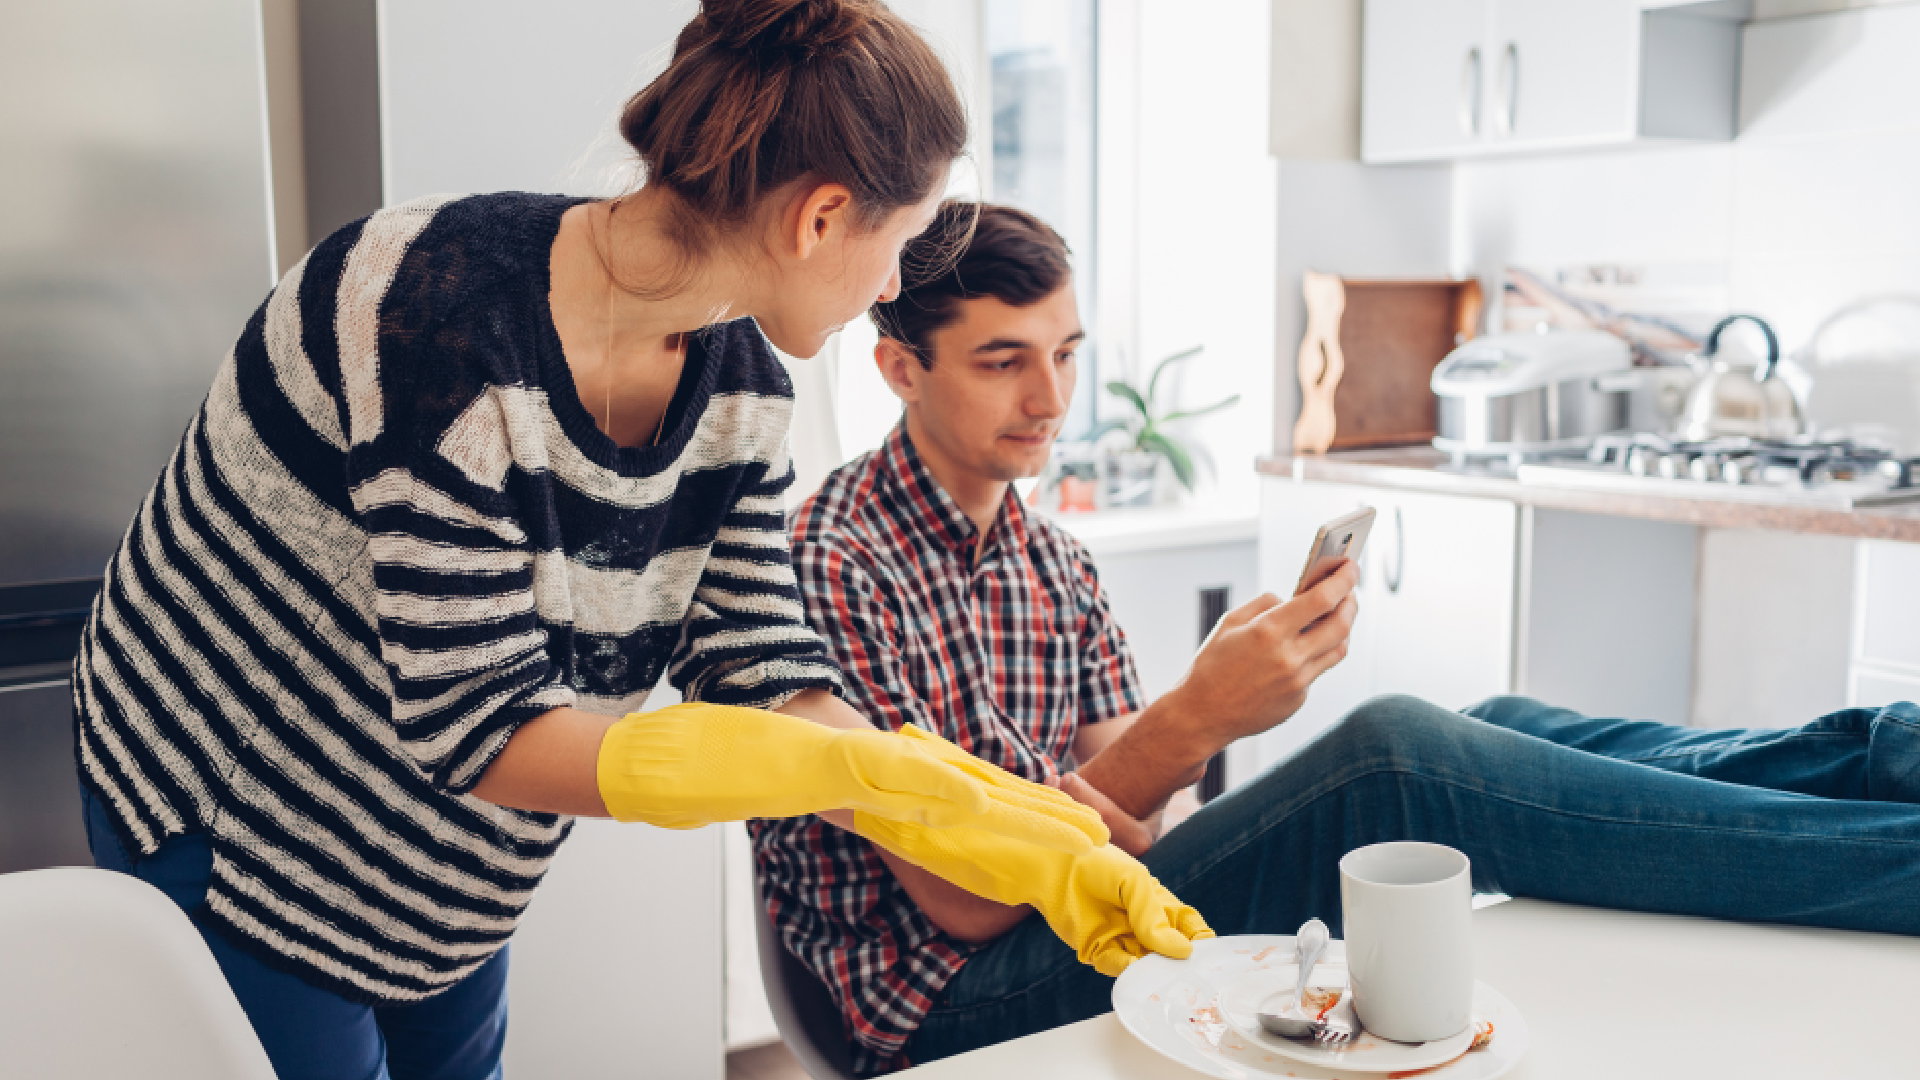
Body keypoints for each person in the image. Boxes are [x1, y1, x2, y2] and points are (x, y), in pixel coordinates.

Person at [68, 7, 1216, 1078]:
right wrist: (841, 770)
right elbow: (480, 730)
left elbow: (762, 666)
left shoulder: (740, 385)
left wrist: (978, 814)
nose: (894, 283)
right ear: (819, 218)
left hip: (451, 873)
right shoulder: (431, 317)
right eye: (901, 244)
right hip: (236, 824)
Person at [756, 200, 1920, 1073]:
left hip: (1099, 910)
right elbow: (970, 900)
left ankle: (1889, 752)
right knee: (1401, 762)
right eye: (1003, 362)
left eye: (1065, 354)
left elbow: (1139, 816)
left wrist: (1175, 740)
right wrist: (1197, 720)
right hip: (948, 1000)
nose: (1051, 400)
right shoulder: (832, 560)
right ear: (900, 367)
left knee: (1495, 728)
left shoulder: (1046, 554)